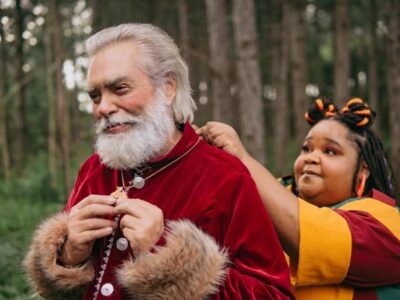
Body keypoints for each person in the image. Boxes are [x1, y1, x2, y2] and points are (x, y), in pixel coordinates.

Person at [23, 23, 294, 300]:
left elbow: (274, 294)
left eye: (120, 88)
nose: (103, 107)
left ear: (167, 86)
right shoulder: (94, 170)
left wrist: (168, 255)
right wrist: (69, 256)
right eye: (95, 96)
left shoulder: (226, 176)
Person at [198, 98, 400, 299]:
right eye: (306, 149)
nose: (311, 158)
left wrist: (243, 160)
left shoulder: (390, 223)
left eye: (330, 151)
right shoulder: (272, 196)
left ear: (363, 170)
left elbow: (315, 238)